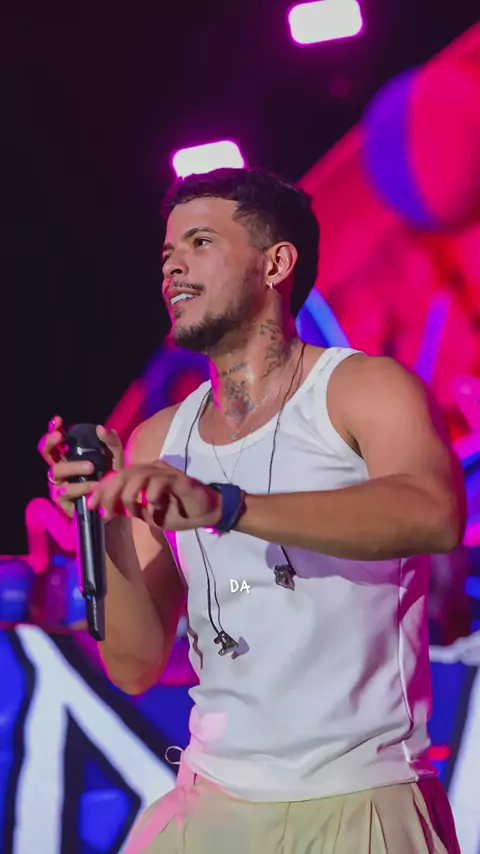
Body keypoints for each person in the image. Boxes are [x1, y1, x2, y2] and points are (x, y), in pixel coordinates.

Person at [39, 168, 466, 853]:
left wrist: (225, 506)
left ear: (276, 263)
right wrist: (107, 514)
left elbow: (433, 514)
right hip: (212, 805)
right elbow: (134, 664)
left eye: (200, 242)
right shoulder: (160, 440)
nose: (172, 266)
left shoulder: (361, 389)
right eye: (166, 253)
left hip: (360, 797)